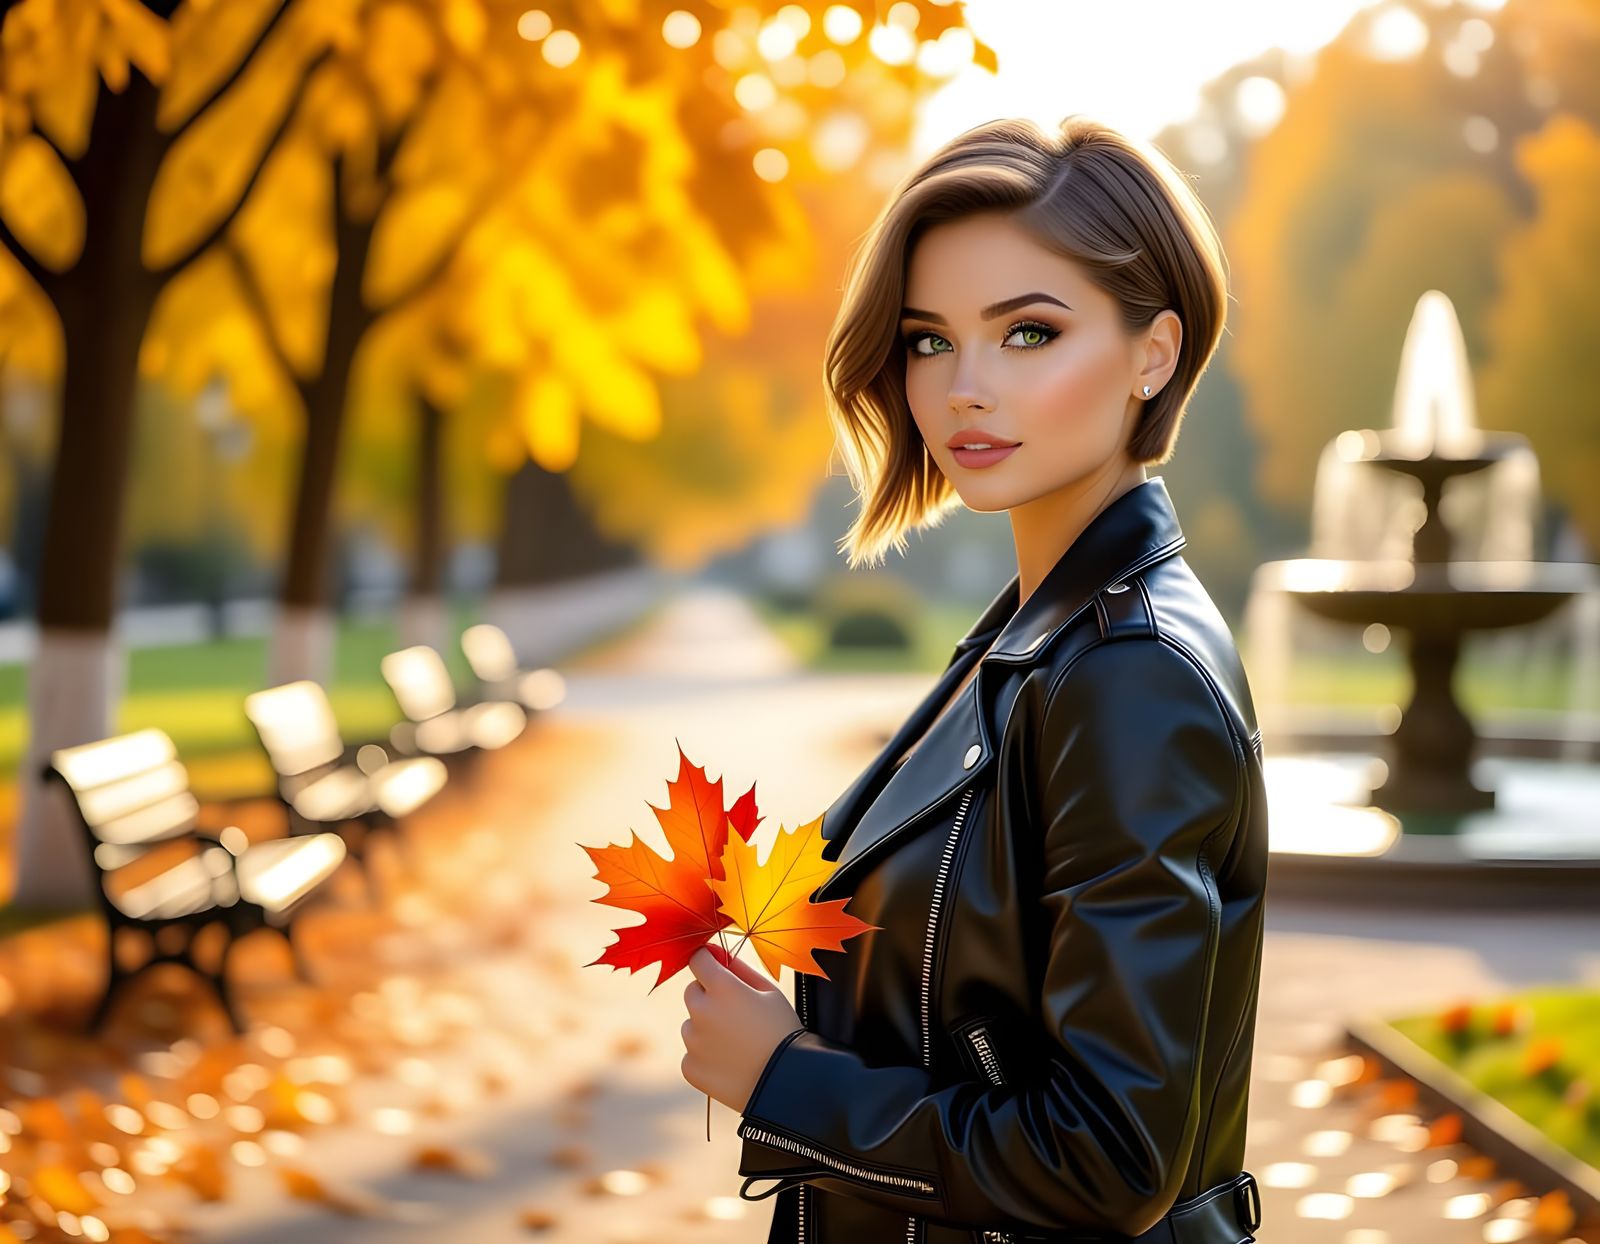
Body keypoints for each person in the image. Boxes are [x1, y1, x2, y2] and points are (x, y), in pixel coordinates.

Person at [678, 115, 1269, 1244]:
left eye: (1029, 333)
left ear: (1153, 353)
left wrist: (783, 1081)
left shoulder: (1129, 673)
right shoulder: (1033, 639)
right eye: (930, 340)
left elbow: (1110, 1155)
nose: (964, 389)